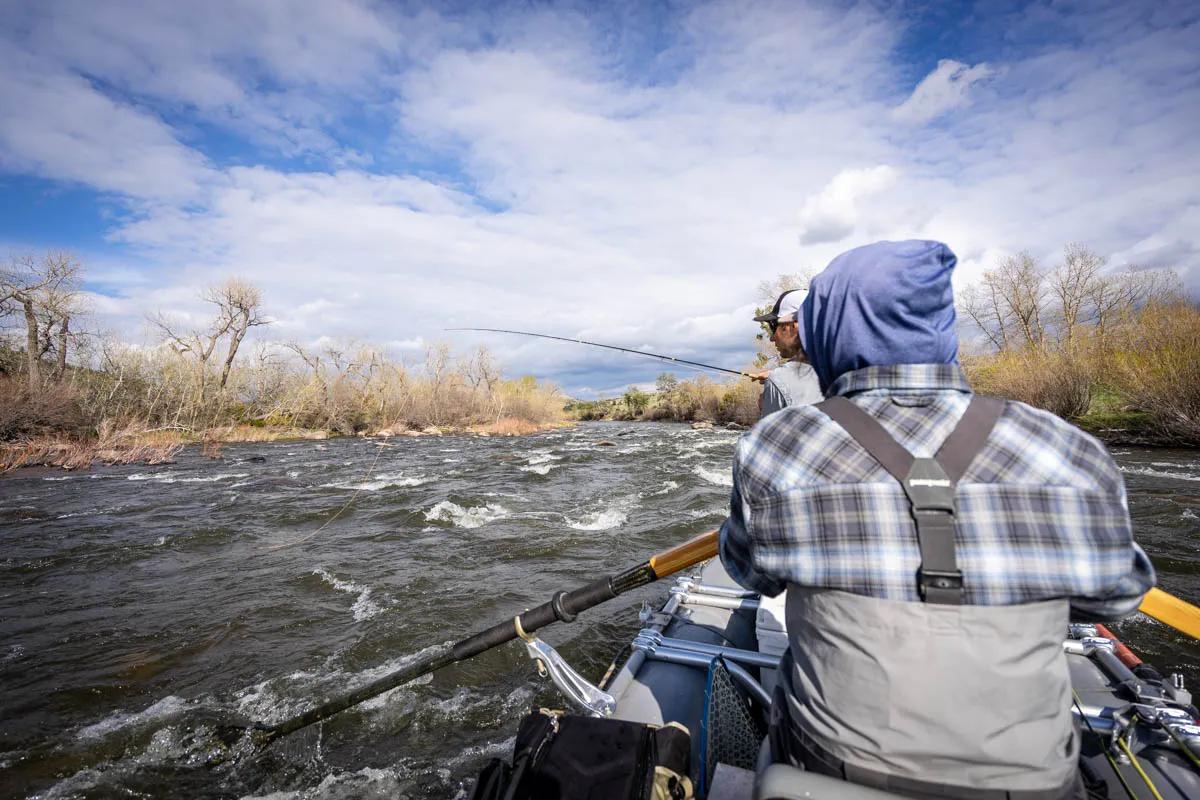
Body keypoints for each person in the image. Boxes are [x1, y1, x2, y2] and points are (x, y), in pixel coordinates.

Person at [720, 240, 1154, 798]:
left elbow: (749, 572)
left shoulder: (774, 447)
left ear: (825, 334)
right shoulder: (1069, 451)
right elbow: (1117, 598)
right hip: (1035, 784)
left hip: (821, 767)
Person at [753, 289, 823, 416]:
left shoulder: (780, 379)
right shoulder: (842, 366)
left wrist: (766, 407)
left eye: (773, 326)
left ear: (795, 326)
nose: (772, 338)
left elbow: (772, 435)